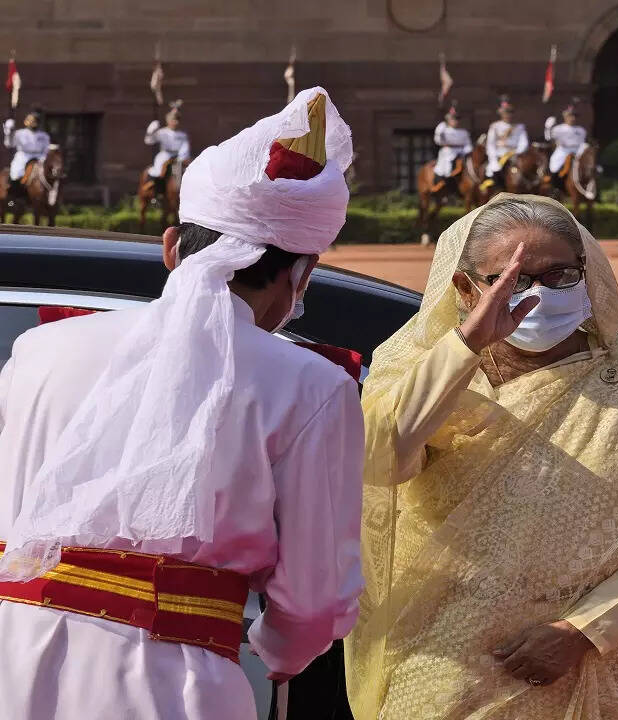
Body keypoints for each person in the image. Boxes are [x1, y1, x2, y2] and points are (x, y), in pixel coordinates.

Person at [0, 87, 365, 719]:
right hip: (171, 684)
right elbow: (314, 600)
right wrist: (273, 656)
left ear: (171, 248)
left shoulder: (39, 348)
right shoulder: (312, 385)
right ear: (300, 276)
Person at [346, 194, 618, 720]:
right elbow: (382, 459)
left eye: (559, 275)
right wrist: (467, 345)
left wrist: (583, 631)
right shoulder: (418, 367)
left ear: (587, 276)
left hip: (608, 660)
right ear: (466, 287)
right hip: (448, 648)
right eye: (512, 279)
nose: (539, 294)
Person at [483, 96, 529, 192]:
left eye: (510, 112)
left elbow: (524, 143)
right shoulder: (495, 126)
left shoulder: (520, 127)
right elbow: (490, 144)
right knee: (494, 169)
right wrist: (493, 157)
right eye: (506, 113)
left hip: (516, 154)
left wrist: (517, 151)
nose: (508, 115)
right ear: (501, 114)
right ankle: (497, 189)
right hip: (499, 154)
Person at [144, 100, 192, 188]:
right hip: (165, 155)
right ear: (168, 120)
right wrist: (150, 132)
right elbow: (149, 141)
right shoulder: (162, 132)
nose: (175, 122)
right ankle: (155, 188)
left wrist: (182, 157)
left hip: (178, 157)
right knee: (159, 171)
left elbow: (185, 148)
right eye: (173, 119)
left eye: (177, 120)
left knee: (187, 171)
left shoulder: (182, 135)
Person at [3, 108, 51, 195]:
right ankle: (14, 193)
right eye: (29, 120)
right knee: (16, 173)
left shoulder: (44, 135)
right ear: (25, 122)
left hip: (39, 158)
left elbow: (46, 149)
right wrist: (9, 132)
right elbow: (9, 144)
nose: (32, 122)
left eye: (34, 120)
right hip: (23, 157)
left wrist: (43, 158)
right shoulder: (19, 133)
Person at [544, 100, 588, 190]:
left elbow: (582, 143)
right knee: (554, 166)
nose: (573, 118)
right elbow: (548, 138)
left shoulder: (581, 130)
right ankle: (555, 186)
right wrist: (548, 128)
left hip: (578, 151)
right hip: (563, 150)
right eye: (570, 115)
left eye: (574, 116)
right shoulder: (558, 129)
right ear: (565, 116)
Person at [432, 103, 471, 188]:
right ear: (448, 120)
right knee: (446, 168)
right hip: (448, 152)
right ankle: (443, 182)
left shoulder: (464, 132)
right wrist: (442, 126)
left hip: (462, 153)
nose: (455, 121)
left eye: (457, 119)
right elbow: (438, 140)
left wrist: (466, 152)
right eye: (453, 119)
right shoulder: (443, 129)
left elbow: (468, 145)